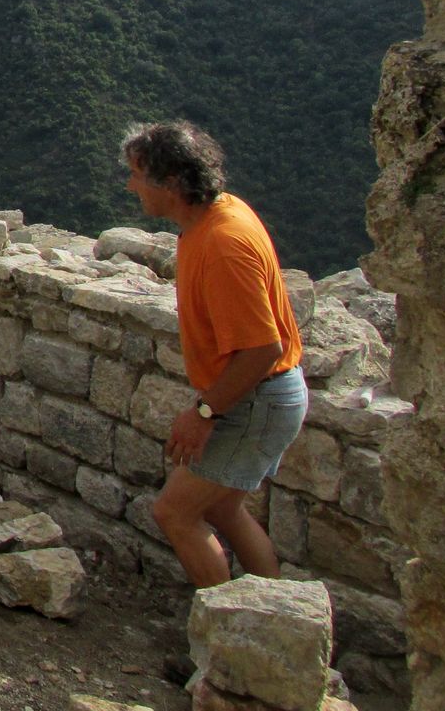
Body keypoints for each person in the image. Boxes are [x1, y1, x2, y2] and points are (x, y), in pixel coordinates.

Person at [121, 121, 306, 587]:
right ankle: (272, 625)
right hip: (262, 397)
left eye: (139, 175)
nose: (130, 185)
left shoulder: (223, 244)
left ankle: (225, 636)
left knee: (175, 514)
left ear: (173, 183)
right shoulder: (215, 217)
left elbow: (264, 347)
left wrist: (204, 412)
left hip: (256, 400)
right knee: (223, 509)